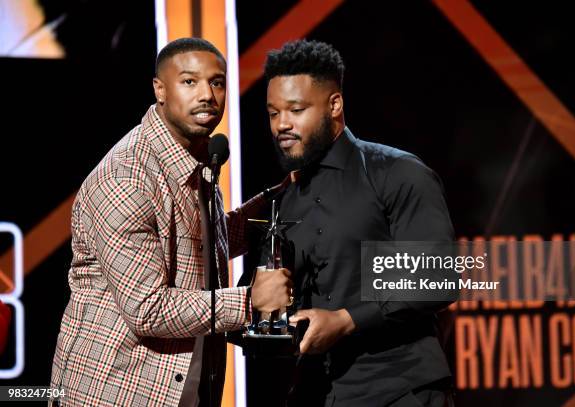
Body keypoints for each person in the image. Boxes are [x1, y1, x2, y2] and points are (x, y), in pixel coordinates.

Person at [50, 37, 292, 406]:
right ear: (159, 89)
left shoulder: (195, 161)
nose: (207, 95)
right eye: (189, 81)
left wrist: (285, 194)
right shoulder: (126, 179)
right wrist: (251, 302)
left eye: (217, 82)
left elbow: (202, 244)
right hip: (114, 394)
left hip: (181, 389)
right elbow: (148, 309)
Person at [263, 40, 455, 406]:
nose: (282, 125)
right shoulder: (282, 201)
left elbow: (437, 275)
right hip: (316, 394)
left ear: (335, 104)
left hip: (401, 390)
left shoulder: (395, 172)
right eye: (273, 113)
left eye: (296, 109)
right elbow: (267, 305)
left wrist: (347, 320)